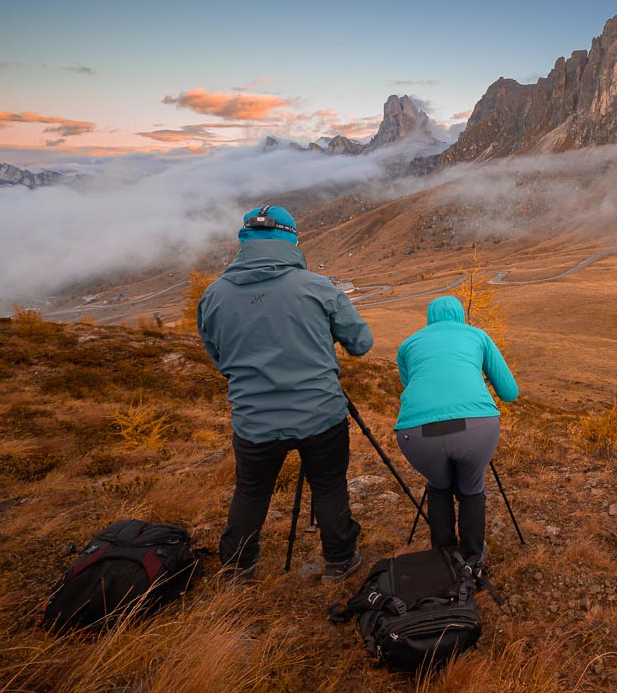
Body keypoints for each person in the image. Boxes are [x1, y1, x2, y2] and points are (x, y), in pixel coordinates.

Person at [198, 205, 373, 583]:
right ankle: (340, 560)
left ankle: (237, 571)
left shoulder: (213, 295)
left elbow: (219, 358)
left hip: (253, 419)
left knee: (250, 493)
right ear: (292, 240)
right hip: (320, 413)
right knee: (328, 486)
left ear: (245, 241)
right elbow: (361, 343)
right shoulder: (316, 286)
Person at [394, 295, 518, 570]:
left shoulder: (408, 345)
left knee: (438, 487)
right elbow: (510, 393)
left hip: (416, 434)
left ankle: (443, 558)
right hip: (476, 428)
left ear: (429, 318)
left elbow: (409, 386)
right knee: (472, 488)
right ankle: (472, 557)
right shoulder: (478, 336)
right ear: (461, 316)